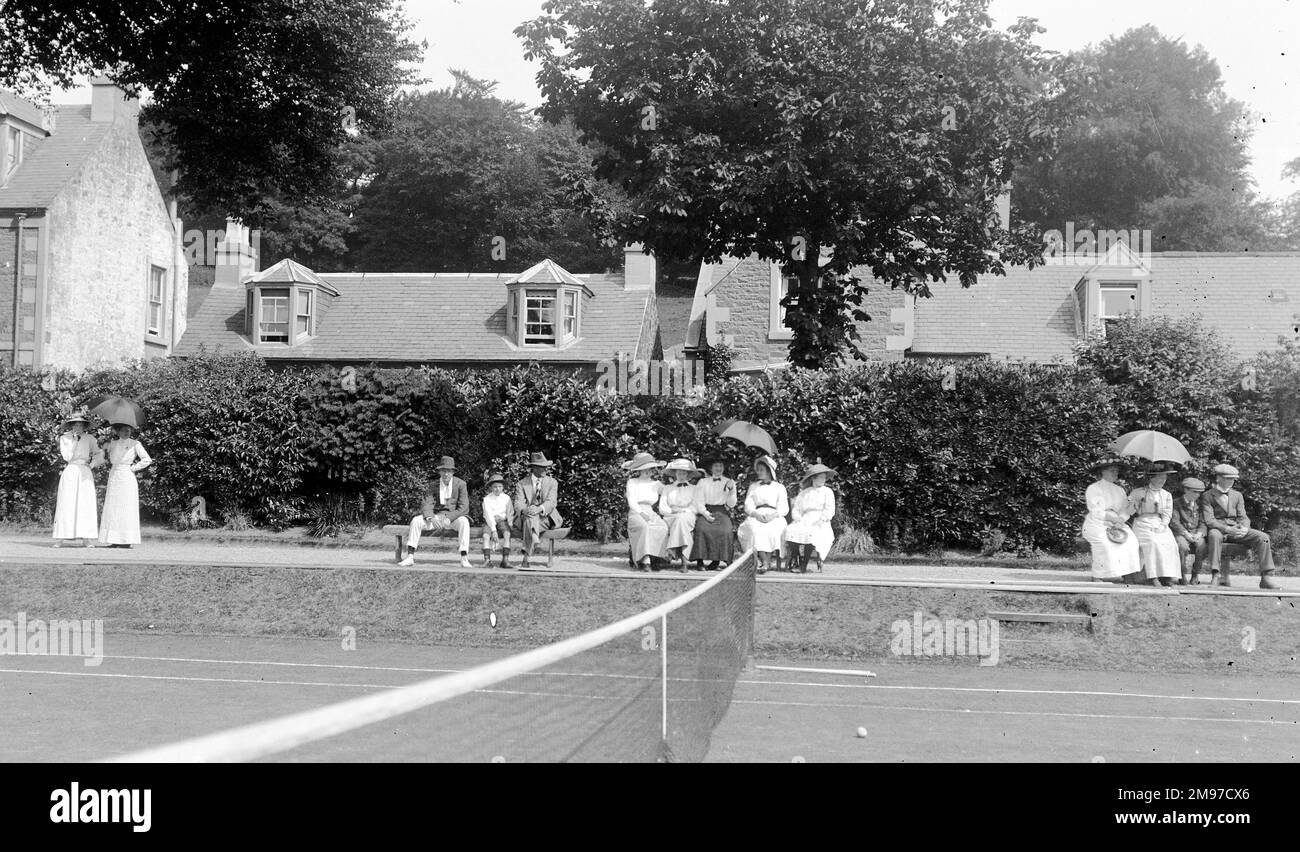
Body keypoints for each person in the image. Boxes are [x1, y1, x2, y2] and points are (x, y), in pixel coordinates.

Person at [1201, 464, 1278, 589]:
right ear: (1218, 478)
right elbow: (1209, 520)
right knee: (1214, 535)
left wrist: (1244, 529)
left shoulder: (1237, 495)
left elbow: (1243, 516)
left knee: (1263, 537)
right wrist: (1227, 529)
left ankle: (1266, 577)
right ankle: (1215, 575)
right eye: (1228, 478)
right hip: (1219, 529)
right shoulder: (1207, 496)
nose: (1231, 481)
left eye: (1233, 479)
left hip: (1236, 529)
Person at [400, 456, 471, 568]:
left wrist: (449, 518)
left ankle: (464, 558)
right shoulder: (433, 485)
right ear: (439, 472)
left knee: (464, 522)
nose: (446, 474)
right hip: (436, 518)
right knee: (416, 521)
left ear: (452, 472)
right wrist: (431, 517)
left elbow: (464, 507)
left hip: (452, 519)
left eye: (448, 471)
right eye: (443, 471)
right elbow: (427, 503)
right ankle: (410, 557)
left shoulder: (461, 484)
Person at [1080, 456, 1141, 583]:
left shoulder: (1120, 490)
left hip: (1117, 523)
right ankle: (1098, 575)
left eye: (1116, 471)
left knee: (1131, 541)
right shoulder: (1094, 488)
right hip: (1097, 523)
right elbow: (1095, 510)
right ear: (1103, 471)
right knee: (1104, 542)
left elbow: (1124, 510)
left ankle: (1126, 573)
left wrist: (1126, 515)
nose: (1115, 473)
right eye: (1112, 470)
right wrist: (1113, 519)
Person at [52, 410, 103, 547]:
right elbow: (67, 456)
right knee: (66, 502)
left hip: (85, 472)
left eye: (80, 425)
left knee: (85, 504)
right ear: (71, 425)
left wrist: (92, 464)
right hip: (71, 470)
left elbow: (99, 454)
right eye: (75, 424)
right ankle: (60, 538)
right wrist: (74, 440)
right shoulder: (65, 438)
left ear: (84, 426)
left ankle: (86, 538)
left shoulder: (90, 438)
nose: (78, 427)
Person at [98, 423, 152, 548]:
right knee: (113, 506)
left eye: (128, 430)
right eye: (123, 430)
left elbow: (147, 459)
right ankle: (114, 539)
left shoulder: (135, 444)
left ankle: (127, 540)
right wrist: (104, 448)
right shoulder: (112, 443)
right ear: (118, 432)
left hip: (127, 476)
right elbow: (105, 458)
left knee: (126, 506)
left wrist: (133, 468)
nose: (126, 432)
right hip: (114, 475)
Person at [1127, 465, 1180, 587]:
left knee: (1170, 543)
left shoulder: (1166, 495)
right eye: (1160, 478)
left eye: (1164, 478)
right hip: (1142, 522)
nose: (1163, 481)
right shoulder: (1138, 492)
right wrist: (1135, 503)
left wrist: (1163, 524)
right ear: (1151, 478)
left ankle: (1167, 576)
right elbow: (1129, 511)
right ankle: (1153, 576)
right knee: (1152, 542)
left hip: (1159, 522)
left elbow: (1167, 513)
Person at [738, 455, 789, 574]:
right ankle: (765, 562)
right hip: (757, 514)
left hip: (774, 515)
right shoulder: (754, 486)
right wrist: (755, 514)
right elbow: (748, 505)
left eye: (762, 470)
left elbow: (783, 507)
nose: (759, 472)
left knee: (773, 529)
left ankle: (767, 561)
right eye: (758, 469)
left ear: (769, 471)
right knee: (755, 529)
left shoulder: (779, 487)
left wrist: (773, 516)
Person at [513, 452, 563, 569]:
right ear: (534, 468)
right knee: (530, 518)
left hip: (546, 517)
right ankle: (534, 537)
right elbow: (518, 503)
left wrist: (539, 509)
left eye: (546, 466)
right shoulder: (522, 483)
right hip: (527, 516)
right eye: (542, 467)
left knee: (530, 520)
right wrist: (525, 510)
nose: (546, 469)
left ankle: (526, 558)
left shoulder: (552, 482)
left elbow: (551, 502)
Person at [784, 461, 837, 573]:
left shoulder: (827, 492)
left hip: (820, 521)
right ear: (813, 478)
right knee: (790, 530)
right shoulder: (805, 493)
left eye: (824, 477)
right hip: (805, 519)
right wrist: (797, 518)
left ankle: (804, 564)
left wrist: (823, 518)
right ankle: (796, 557)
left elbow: (830, 509)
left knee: (812, 534)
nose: (823, 480)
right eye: (820, 477)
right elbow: (797, 509)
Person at [691, 456, 737, 570]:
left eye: (721, 466)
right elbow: (698, 501)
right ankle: (700, 561)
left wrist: (731, 491)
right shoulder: (703, 482)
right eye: (716, 466)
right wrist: (705, 514)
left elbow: (731, 504)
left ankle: (716, 561)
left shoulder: (728, 482)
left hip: (721, 511)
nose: (719, 468)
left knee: (725, 530)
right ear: (711, 468)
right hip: (706, 510)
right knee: (701, 528)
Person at [625, 452, 667, 571]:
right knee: (645, 527)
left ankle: (656, 558)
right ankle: (645, 560)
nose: (648, 471)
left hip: (650, 511)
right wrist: (641, 513)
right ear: (639, 470)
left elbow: (669, 492)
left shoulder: (656, 483)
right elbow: (632, 501)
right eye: (644, 469)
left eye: (650, 469)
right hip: (636, 512)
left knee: (663, 527)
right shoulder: (632, 482)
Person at [659, 458, 703, 569]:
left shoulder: (694, 488)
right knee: (679, 521)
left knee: (681, 520)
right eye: (679, 473)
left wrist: (684, 511)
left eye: (684, 473)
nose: (681, 475)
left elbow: (696, 506)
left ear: (688, 475)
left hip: (689, 515)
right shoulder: (667, 488)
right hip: (671, 516)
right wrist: (673, 511)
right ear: (675, 474)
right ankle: (684, 561)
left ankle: (671, 551)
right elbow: (662, 507)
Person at [1170, 476, 1209, 585]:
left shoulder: (1200, 505)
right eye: (1194, 492)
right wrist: (1186, 533)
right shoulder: (1176, 503)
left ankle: (1195, 575)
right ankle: (1181, 575)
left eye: (1199, 493)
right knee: (1182, 546)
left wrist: (1199, 533)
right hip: (1181, 533)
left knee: (1201, 546)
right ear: (1186, 490)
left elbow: (1203, 522)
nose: (1197, 495)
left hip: (1195, 533)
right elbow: (1174, 522)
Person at [481, 472, 515, 569]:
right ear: (491, 488)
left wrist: (509, 522)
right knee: (485, 536)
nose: (497, 489)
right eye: (495, 487)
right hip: (490, 521)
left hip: (502, 521)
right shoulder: (487, 499)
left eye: (500, 486)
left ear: (503, 487)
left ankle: (505, 560)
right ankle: (487, 560)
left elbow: (510, 512)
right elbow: (488, 515)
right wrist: (493, 530)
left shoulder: (506, 498)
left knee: (507, 534)